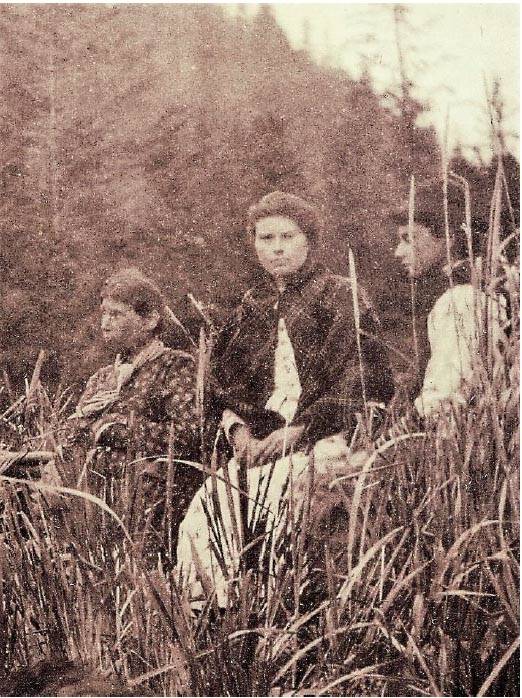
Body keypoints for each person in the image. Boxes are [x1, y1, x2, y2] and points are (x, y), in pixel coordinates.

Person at [177, 191, 394, 605]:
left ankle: (274, 608)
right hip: (261, 444)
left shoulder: (339, 295)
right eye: (265, 237)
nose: (276, 248)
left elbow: (359, 376)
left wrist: (297, 431)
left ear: (309, 240)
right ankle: (218, 616)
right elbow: (224, 385)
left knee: (284, 499)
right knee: (208, 506)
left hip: (328, 437)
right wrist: (240, 433)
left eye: (287, 237)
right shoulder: (250, 307)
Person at [56, 268, 203, 566]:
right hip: (98, 506)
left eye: (117, 314)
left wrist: (112, 429)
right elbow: (70, 435)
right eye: (104, 314)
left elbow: (188, 434)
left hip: (154, 506)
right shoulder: (102, 379)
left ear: (150, 320)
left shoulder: (175, 368)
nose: (105, 323)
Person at [392, 194, 508, 418]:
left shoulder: (462, 301)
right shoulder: (465, 293)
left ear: (448, 237)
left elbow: (442, 402)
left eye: (408, 238)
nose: (398, 252)